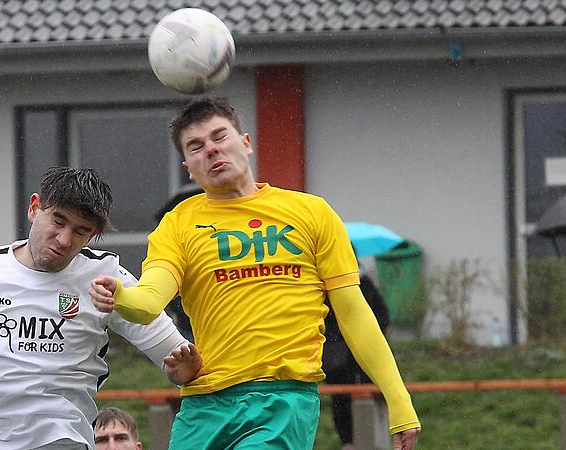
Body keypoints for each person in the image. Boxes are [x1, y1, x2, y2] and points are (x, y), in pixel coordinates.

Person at [90, 97, 421, 450]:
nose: (212, 150)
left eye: (220, 137)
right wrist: (121, 295)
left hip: (281, 401)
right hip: (203, 403)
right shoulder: (177, 225)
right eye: (196, 147)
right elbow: (149, 301)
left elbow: (354, 313)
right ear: (189, 167)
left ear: (245, 143)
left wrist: (399, 399)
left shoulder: (312, 213)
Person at [0, 167, 201, 450]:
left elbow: (178, 357)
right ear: (34, 208)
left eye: (81, 231)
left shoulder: (107, 274)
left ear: (91, 237)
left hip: (65, 442)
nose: (64, 240)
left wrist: (184, 369)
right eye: (58, 221)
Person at [323, 270, 390, 450]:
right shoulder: (325, 287)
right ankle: (348, 441)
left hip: (361, 359)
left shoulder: (364, 284)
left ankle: (370, 440)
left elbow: (382, 316)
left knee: (368, 398)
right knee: (341, 399)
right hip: (339, 360)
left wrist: (366, 336)